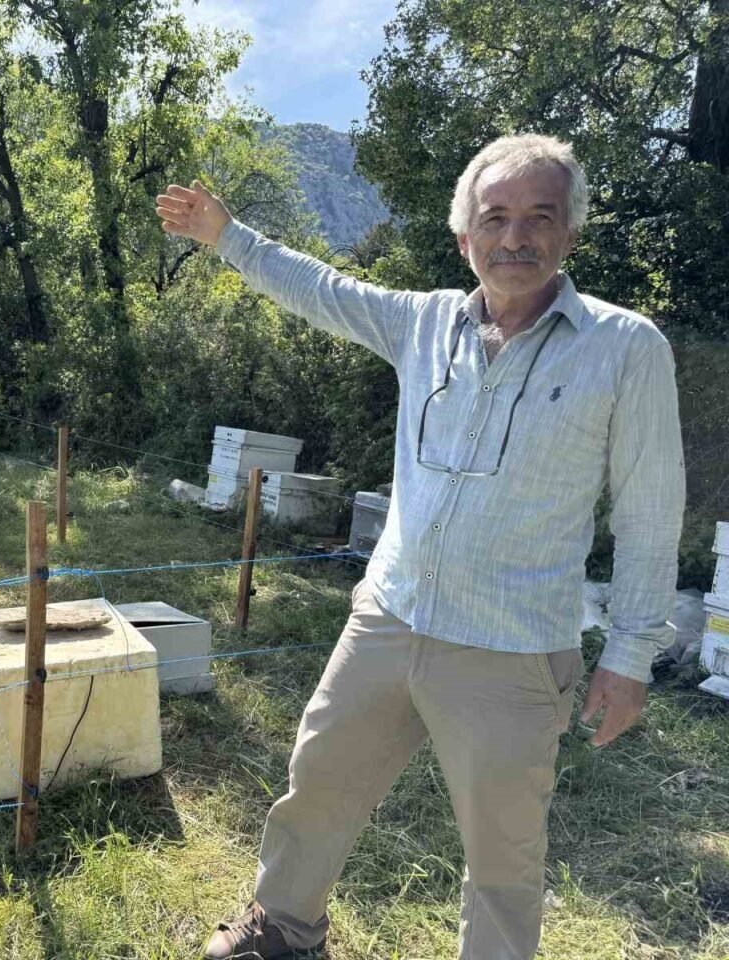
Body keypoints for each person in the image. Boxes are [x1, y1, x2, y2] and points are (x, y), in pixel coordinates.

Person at [155, 134, 685, 960]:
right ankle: (286, 929)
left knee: (503, 853)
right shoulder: (425, 321)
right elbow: (323, 289)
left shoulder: (626, 347)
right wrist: (228, 236)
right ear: (465, 236)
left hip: (513, 645)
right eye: (496, 218)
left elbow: (652, 509)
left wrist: (630, 657)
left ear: (571, 234)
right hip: (390, 617)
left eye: (540, 217)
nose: (516, 238)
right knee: (319, 784)